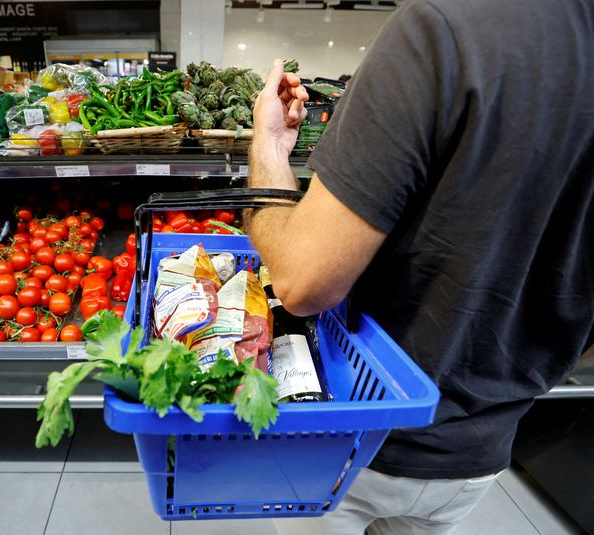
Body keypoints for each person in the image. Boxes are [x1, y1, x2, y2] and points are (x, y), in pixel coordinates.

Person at [245, 0, 594, 533]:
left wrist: (268, 145)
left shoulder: (445, 28)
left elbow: (300, 283)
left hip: (353, 438)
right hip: (482, 454)